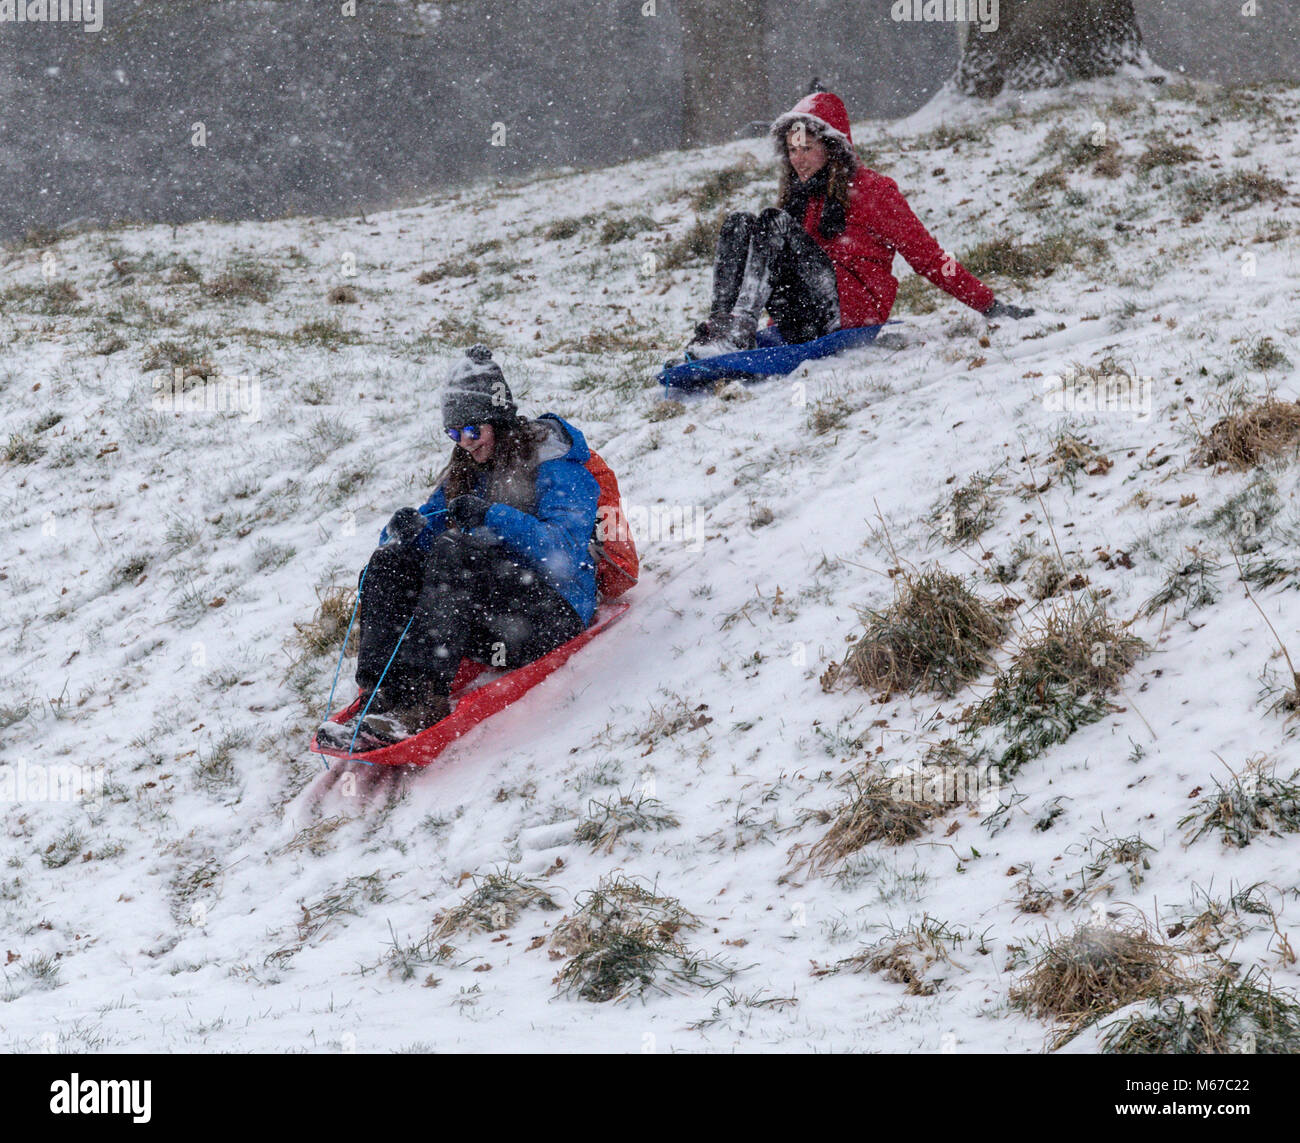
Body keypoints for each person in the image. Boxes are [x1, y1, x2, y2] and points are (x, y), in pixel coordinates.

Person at [317, 345, 600, 750]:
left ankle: (421, 702)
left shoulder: (556, 466)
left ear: (499, 420)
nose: (465, 443)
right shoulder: (467, 470)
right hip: (490, 625)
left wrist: (493, 516)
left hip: (549, 620)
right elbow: (420, 532)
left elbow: (563, 554)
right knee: (392, 559)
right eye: (455, 433)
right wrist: (401, 533)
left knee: (456, 550)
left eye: (472, 431)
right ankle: (380, 694)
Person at [683, 89, 1033, 359]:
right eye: (792, 150)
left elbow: (927, 257)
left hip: (852, 311)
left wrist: (988, 304)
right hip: (806, 315)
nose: (798, 159)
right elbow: (781, 269)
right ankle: (723, 330)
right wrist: (776, 329)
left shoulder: (874, 192)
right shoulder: (799, 198)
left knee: (772, 223)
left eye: (806, 148)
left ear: (832, 146)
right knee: (739, 223)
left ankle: (739, 331)